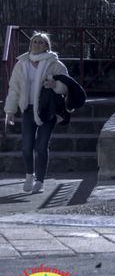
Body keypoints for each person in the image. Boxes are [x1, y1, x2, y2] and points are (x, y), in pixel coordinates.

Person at [3, 33, 69, 194]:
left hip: (47, 110)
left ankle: (40, 180)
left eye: (41, 42)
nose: (37, 44)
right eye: (34, 42)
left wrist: (55, 85)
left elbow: (67, 86)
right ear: (30, 44)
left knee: (41, 146)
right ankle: (29, 175)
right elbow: (14, 89)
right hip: (27, 109)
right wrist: (10, 111)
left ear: (47, 46)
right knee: (26, 147)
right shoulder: (21, 64)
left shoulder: (55, 64)